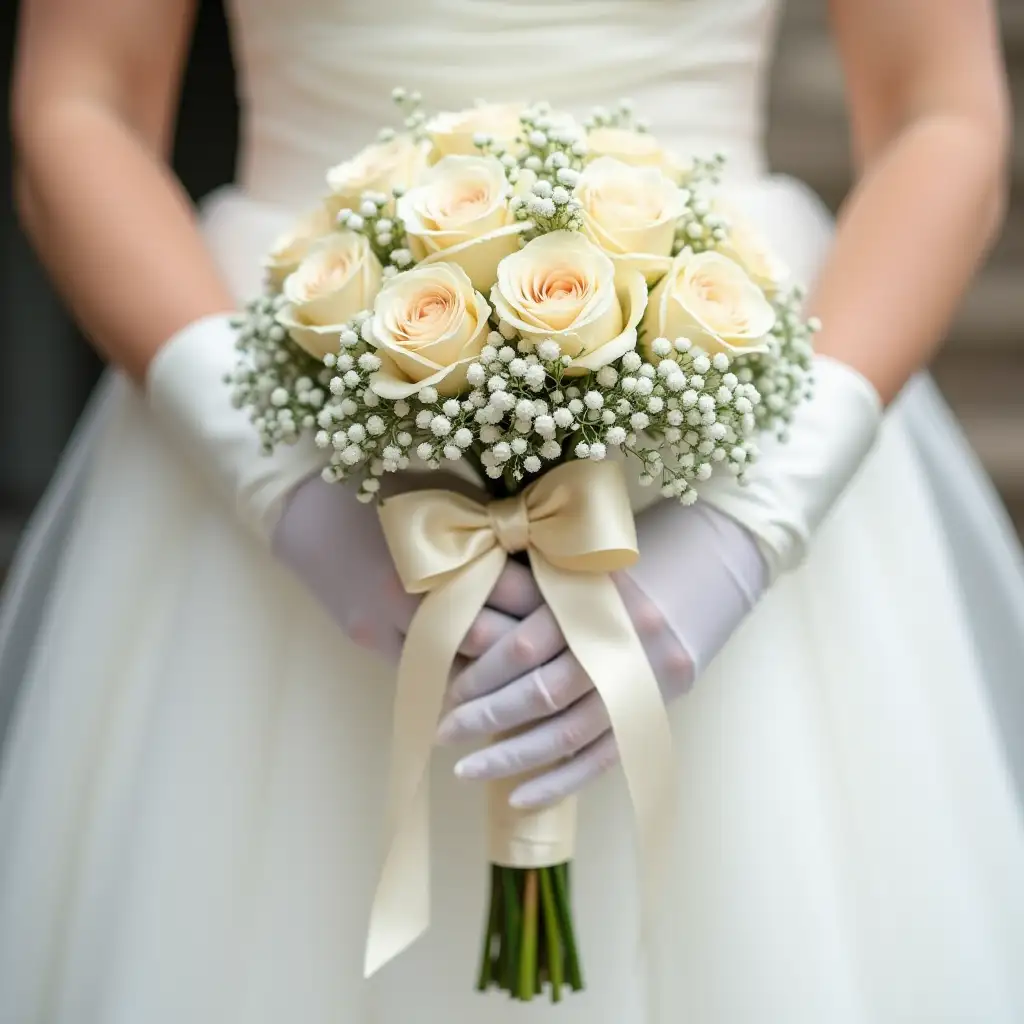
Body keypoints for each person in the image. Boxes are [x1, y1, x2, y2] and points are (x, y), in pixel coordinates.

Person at [2, 0, 1024, 1020]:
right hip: (287, 360)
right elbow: (79, 103)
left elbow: (940, 113)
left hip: (735, 374)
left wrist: (754, 517)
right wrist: (277, 478)